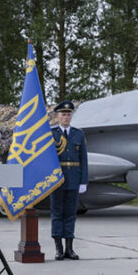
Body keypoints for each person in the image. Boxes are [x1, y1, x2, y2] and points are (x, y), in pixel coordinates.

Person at [50, 100, 88, 260]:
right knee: (57, 213)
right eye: (63, 114)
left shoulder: (78, 134)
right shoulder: (51, 134)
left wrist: (83, 181)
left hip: (73, 178)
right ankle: (58, 249)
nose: (66, 117)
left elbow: (83, 159)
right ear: (57, 116)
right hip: (57, 179)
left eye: (68, 114)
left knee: (71, 214)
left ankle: (69, 249)